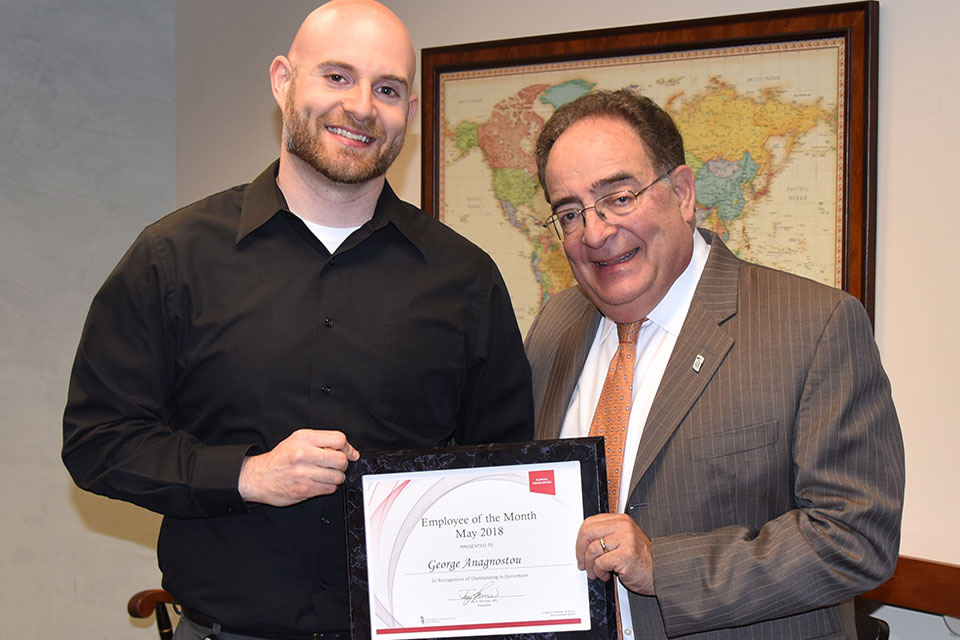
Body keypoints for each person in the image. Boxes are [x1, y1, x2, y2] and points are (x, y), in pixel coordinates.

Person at [62, 1, 533, 638]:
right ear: (284, 81)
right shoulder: (173, 258)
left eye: (387, 89)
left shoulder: (466, 280)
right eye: (336, 77)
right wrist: (246, 475)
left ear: (410, 114)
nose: (362, 106)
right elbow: (98, 442)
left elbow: (503, 476)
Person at [525, 89, 904, 639]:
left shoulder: (813, 326)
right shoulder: (555, 326)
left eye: (620, 197)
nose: (596, 232)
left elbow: (856, 538)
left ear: (682, 192)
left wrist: (665, 568)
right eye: (569, 212)